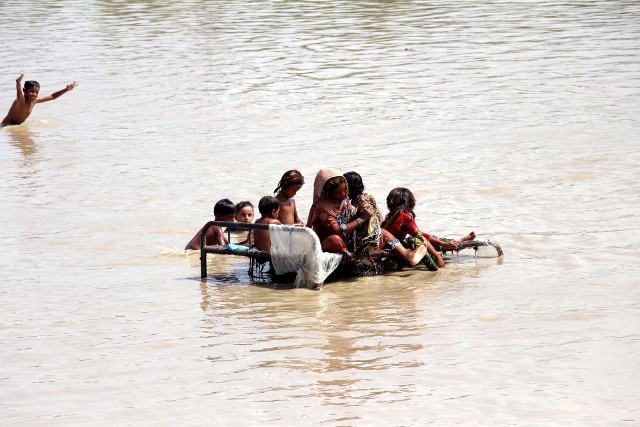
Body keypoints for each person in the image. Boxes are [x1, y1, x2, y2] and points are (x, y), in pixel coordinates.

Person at [306, 169, 428, 266]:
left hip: (348, 241)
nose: (343, 194)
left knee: (383, 232)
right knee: (335, 240)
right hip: (329, 244)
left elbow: (372, 220)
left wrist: (361, 215)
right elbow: (337, 230)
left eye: (345, 190)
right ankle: (354, 257)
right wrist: (362, 219)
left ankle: (407, 254)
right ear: (327, 193)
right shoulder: (323, 208)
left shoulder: (345, 201)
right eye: (338, 193)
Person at [381, 187, 476, 265]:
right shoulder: (406, 216)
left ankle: (458, 240)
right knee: (417, 241)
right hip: (397, 250)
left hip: (394, 247)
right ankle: (453, 242)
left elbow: (421, 234)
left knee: (427, 238)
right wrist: (438, 257)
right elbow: (421, 238)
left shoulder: (390, 217)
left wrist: (441, 244)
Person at [2, 74, 78, 127]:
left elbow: (52, 96)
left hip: (17, 125)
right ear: (24, 91)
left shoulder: (34, 101)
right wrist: (18, 83)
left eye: (36, 92)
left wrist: (66, 89)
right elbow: (19, 93)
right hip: (5, 126)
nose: (34, 94)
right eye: (31, 91)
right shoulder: (21, 100)